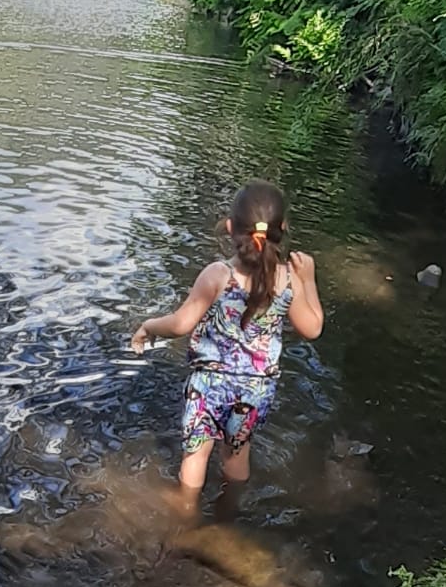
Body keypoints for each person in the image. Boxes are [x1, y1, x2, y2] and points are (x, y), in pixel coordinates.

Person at [131, 180, 324, 503]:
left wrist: (147, 326)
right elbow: (313, 328)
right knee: (237, 454)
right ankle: (229, 517)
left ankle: (185, 515)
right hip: (254, 391)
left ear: (231, 227)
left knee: (196, 454)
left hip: (209, 385)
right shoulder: (289, 279)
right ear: (282, 229)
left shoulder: (218, 275)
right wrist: (308, 280)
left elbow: (180, 324)